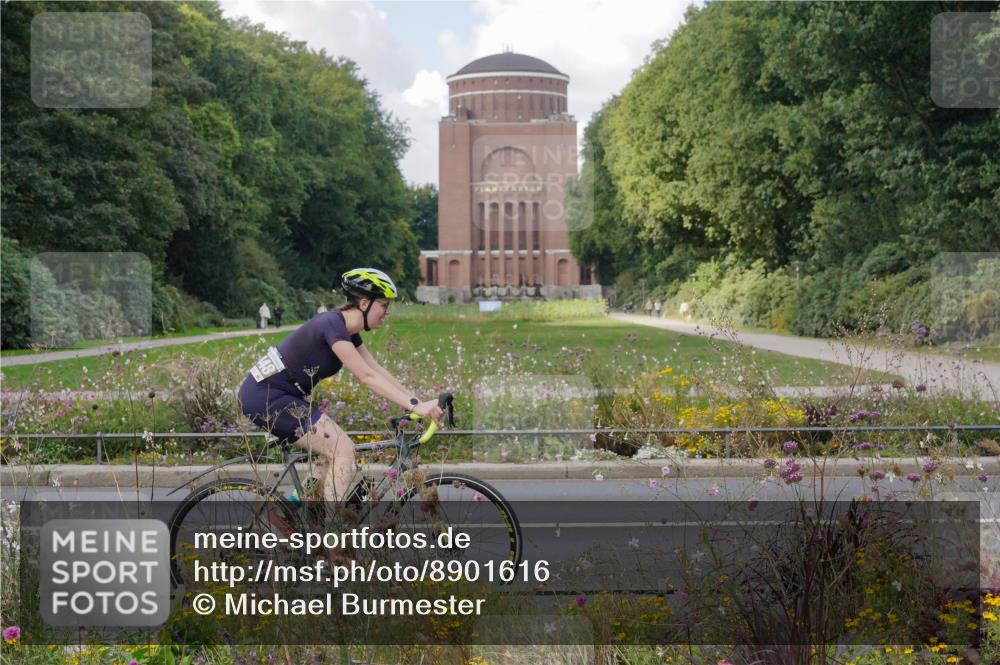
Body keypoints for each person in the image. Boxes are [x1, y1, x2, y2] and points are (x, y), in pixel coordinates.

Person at [239, 268, 443, 513]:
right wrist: (416, 407)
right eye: (383, 304)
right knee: (342, 449)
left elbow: (376, 370)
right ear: (364, 303)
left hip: (283, 395)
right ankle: (334, 539)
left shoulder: (347, 331)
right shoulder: (332, 325)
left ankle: (288, 514)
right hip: (266, 396)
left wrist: (416, 403)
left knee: (332, 453)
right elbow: (366, 377)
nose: (387, 312)